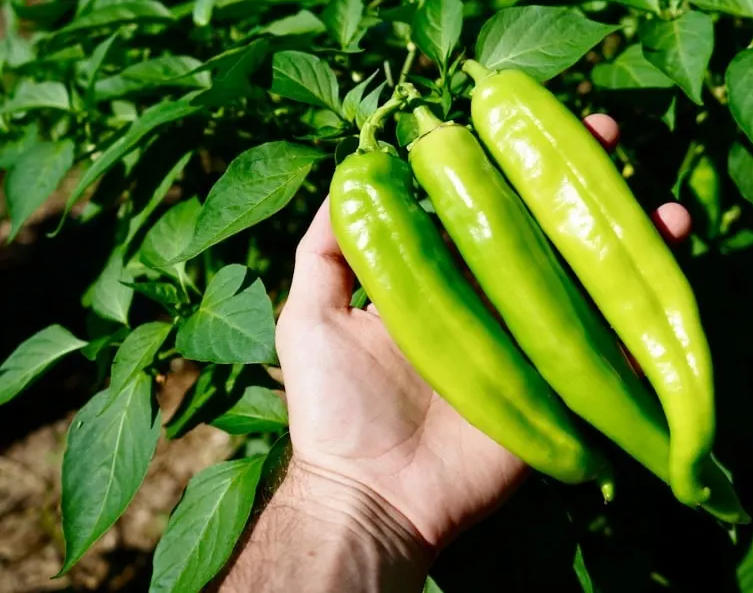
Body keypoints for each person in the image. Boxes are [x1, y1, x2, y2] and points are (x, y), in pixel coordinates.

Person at [220, 115, 693, 592]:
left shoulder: (361, 187)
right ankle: (677, 467)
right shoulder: (365, 184)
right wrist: (350, 488)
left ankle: (682, 463)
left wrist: (346, 494)